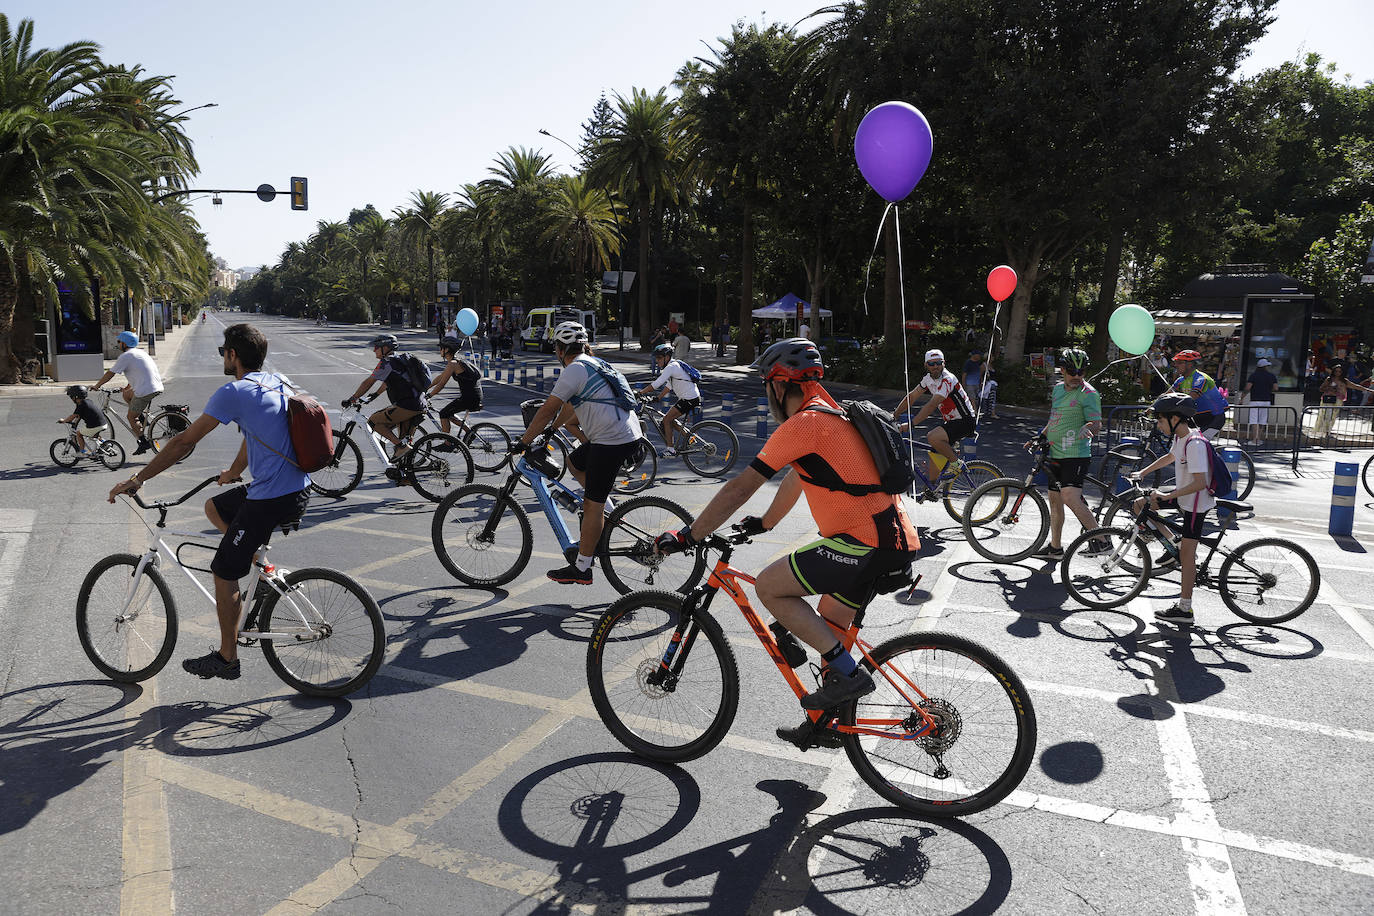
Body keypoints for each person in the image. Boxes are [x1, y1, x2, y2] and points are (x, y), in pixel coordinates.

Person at [654, 338, 920, 748]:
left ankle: (849, 676)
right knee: (827, 626)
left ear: (778, 385)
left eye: (767, 386)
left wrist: (690, 534)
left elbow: (740, 488)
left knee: (769, 586)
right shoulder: (833, 415)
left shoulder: (804, 424)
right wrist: (765, 522)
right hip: (892, 539)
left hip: (864, 543)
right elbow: (801, 475)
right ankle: (824, 723)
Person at [107, 323, 312, 679]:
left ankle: (227, 657)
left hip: (271, 498)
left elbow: (183, 442)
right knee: (215, 507)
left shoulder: (233, 392)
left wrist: (138, 478)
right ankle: (261, 574)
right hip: (297, 488)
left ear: (233, 355)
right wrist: (234, 470)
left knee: (223, 570)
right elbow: (258, 434)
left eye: (223, 352)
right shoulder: (276, 382)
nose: (222, 357)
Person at [515, 322, 643, 585]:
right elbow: (572, 409)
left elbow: (548, 408)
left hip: (611, 441)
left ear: (561, 350)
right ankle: (607, 512)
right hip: (626, 435)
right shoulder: (594, 364)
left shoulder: (574, 369)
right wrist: (552, 429)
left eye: (555, 349)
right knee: (575, 462)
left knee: (590, 504)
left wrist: (524, 441)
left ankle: (583, 568)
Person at [1127, 393, 1216, 625]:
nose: (1158, 424)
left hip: (1195, 503)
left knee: (1187, 558)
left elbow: (1199, 483)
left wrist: (1168, 495)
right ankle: (1173, 543)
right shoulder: (1182, 438)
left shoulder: (1195, 444)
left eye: (1160, 420)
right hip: (1185, 496)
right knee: (1140, 505)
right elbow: (1169, 457)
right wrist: (1143, 472)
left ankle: (1185, 609)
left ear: (1175, 418)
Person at [1029, 348, 1103, 559]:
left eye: (1082, 372)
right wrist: (1041, 436)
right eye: (1072, 371)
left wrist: (1088, 428)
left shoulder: (1089, 394)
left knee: (1070, 497)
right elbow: (1055, 418)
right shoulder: (1058, 390)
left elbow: (1097, 424)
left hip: (1076, 453)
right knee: (1055, 500)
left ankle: (1102, 541)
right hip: (1056, 452)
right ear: (1062, 370)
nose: (1077, 376)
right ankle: (1055, 547)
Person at [891, 349, 976, 487]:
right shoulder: (928, 380)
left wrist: (911, 425)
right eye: (932, 363)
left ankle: (957, 464)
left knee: (933, 437)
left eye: (938, 363)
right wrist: (895, 415)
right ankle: (931, 489)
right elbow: (912, 397)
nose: (935, 366)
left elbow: (931, 405)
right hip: (952, 422)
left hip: (965, 421)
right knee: (935, 454)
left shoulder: (948, 379)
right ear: (926, 365)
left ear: (944, 363)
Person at [342, 334, 427, 463]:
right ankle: (405, 476)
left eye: (376, 347)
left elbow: (368, 382)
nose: (374, 350)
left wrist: (353, 398)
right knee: (404, 444)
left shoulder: (386, 363)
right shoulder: (399, 361)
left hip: (407, 406)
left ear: (385, 347)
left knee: (374, 422)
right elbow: (389, 382)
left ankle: (400, 446)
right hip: (418, 403)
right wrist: (375, 395)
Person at [92, 330, 163, 455]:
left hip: (145, 390)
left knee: (131, 417)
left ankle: (143, 441)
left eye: (119, 341)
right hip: (155, 386)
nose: (118, 344)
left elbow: (111, 373)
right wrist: (128, 387)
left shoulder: (126, 356)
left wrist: (98, 385)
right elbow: (140, 372)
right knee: (127, 394)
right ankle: (140, 416)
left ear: (125, 343)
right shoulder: (140, 353)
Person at [637, 343, 701, 456]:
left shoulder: (671, 367)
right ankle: (690, 438)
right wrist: (658, 398)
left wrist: (640, 392)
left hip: (689, 398)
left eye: (659, 358)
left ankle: (670, 449)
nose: (657, 361)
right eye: (656, 358)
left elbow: (657, 384)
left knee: (666, 420)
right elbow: (669, 386)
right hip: (689, 397)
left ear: (667, 357)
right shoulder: (673, 366)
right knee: (669, 419)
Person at [426, 335, 483, 435]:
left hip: (469, 398)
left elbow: (442, 384)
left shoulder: (453, 364)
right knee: (448, 413)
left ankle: (447, 443)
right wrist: (425, 388)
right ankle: (469, 433)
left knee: (443, 413)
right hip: (473, 396)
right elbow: (440, 378)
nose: (440, 350)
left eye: (441, 348)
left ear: (447, 349)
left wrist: (430, 395)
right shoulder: (457, 362)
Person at [1170, 350, 1228, 440]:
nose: (1176, 365)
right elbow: (1166, 395)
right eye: (1175, 362)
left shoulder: (1201, 378)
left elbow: (1192, 397)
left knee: (1199, 443)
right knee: (1182, 442)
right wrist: (1152, 407)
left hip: (1214, 419)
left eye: (1179, 362)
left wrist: (1173, 406)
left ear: (1189, 364)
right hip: (1197, 418)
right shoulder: (1180, 380)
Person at [57, 385, 108, 456]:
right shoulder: (88, 401)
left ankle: (82, 452)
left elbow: (73, 416)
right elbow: (79, 416)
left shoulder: (81, 405)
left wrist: (64, 421)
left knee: (79, 434)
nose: (71, 399)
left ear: (76, 397)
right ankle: (105, 443)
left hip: (95, 426)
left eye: (71, 397)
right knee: (94, 434)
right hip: (103, 424)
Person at [1241, 358, 1277, 445]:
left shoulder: (1253, 375)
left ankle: (1254, 440)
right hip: (1266, 401)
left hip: (1255, 400)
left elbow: (1248, 388)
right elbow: (1276, 388)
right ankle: (1259, 439)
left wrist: (1242, 398)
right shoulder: (1272, 376)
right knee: (1262, 421)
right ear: (1265, 367)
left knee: (1254, 420)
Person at [1313, 364, 1348, 440]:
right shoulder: (1329, 379)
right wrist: (1329, 388)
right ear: (1333, 371)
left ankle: (1328, 431)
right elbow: (1321, 388)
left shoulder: (1344, 381)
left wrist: (1368, 390)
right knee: (1327, 415)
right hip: (1328, 399)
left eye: (1340, 371)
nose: (1338, 373)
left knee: (1333, 416)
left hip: (1338, 401)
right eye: (1336, 371)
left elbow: (1355, 386)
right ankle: (1326, 432)